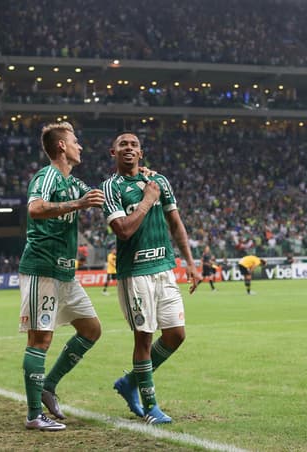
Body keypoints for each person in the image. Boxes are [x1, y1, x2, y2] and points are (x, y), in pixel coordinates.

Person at [101, 132, 202, 424]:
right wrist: (147, 200)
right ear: (113, 152)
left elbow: (175, 222)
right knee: (143, 338)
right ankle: (151, 407)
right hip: (135, 272)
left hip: (165, 267)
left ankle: (130, 382)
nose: (129, 149)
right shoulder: (111, 187)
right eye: (123, 145)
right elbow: (122, 230)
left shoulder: (159, 181)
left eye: (134, 145)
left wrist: (190, 263)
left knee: (176, 335)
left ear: (141, 153)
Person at [18, 122, 105, 431]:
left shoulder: (74, 183)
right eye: (75, 141)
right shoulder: (47, 176)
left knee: (92, 330)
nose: (79, 146)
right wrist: (78, 204)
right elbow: (36, 208)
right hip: (42, 268)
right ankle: (33, 416)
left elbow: (101, 195)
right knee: (41, 339)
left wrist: (135, 178)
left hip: (67, 273)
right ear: (61, 147)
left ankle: (48, 385)